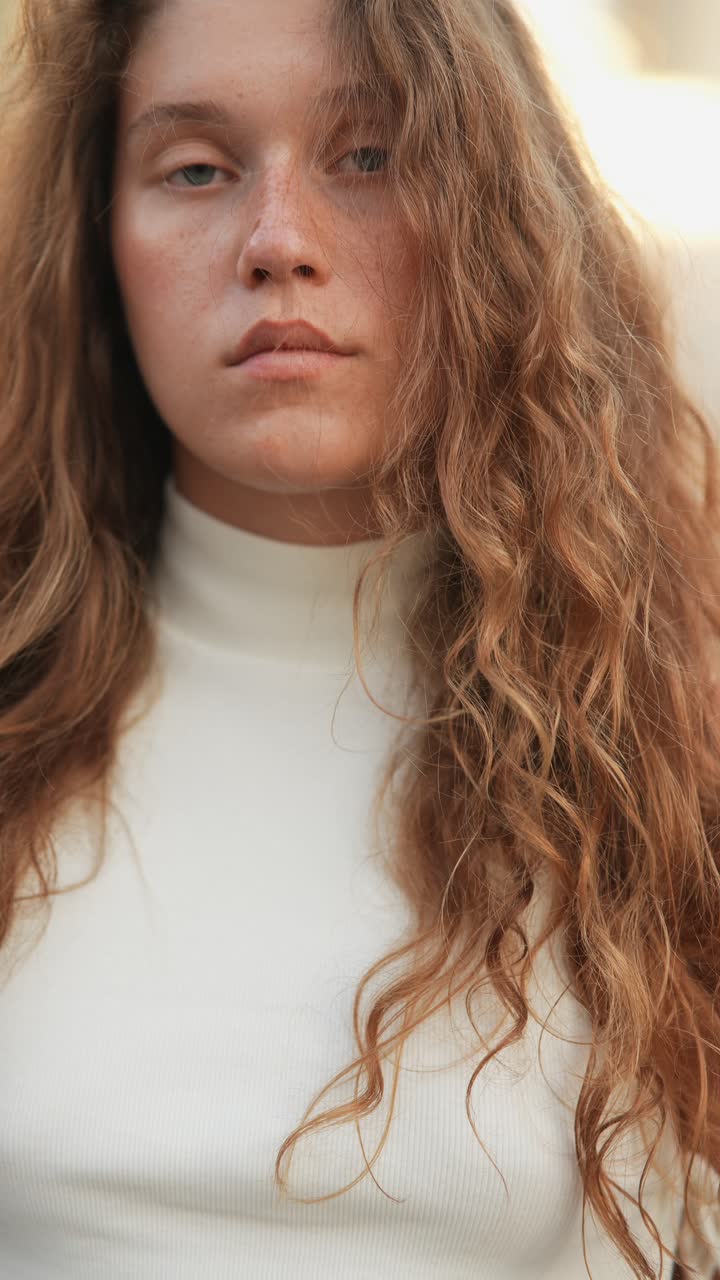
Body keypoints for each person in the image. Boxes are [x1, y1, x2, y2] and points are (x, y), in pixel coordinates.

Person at [0, 0, 718, 1276]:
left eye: (371, 157)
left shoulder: (668, 751)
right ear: (97, 235)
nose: (278, 242)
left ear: (499, 221)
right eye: (197, 168)